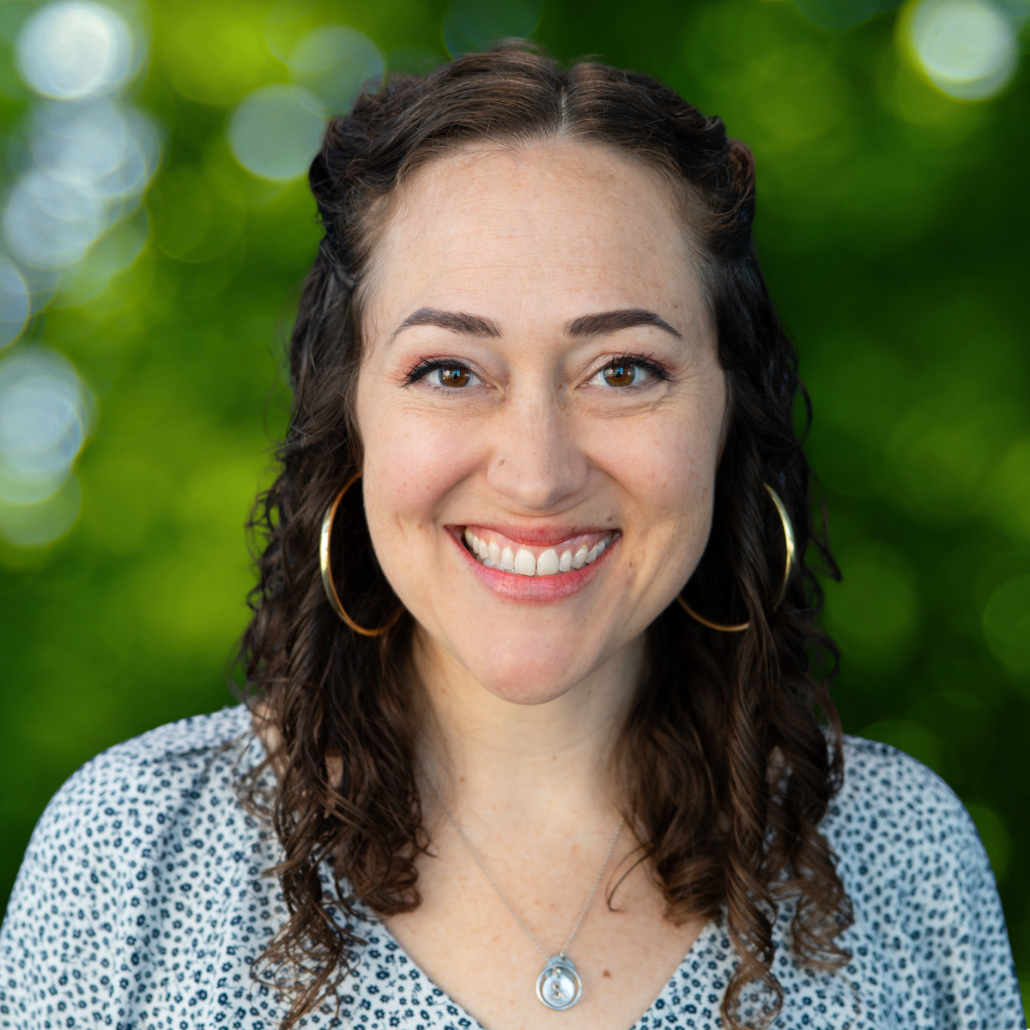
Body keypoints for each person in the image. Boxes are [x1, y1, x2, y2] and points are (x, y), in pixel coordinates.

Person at [0, 45, 1023, 1030]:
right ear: (347, 416)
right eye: (449, 370)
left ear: (728, 413)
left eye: (622, 369)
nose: (537, 471)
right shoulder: (129, 851)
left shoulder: (899, 854)